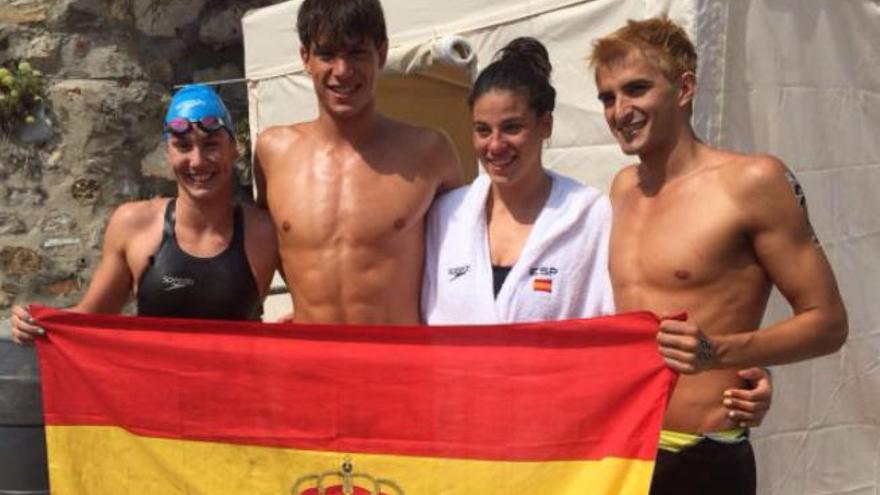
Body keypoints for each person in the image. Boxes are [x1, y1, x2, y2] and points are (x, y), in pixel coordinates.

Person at [422, 36, 770, 427]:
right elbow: (411, 326)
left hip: (559, 440)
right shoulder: (444, 215)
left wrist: (737, 369)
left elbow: (635, 319)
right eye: (482, 130)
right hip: (456, 433)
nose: (495, 145)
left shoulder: (589, 214)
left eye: (512, 127)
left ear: (545, 125)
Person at [590, 18, 848, 495]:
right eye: (607, 96)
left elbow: (828, 322)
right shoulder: (624, 187)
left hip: (701, 455)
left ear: (684, 87)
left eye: (636, 89)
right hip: (624, 452)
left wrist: (722, 354)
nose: (619, 110)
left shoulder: (752, 182)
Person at [11, 84, 279, 342]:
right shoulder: (133, 225)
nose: (197, 161)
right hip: (156, 388)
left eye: (211, 145)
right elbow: (90, 317)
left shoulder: (265, 231)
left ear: (233, 150)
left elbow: (312, 305)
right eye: (183, 146)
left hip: (233, 387)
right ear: (168, 153)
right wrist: (34, 321)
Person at [253, 0, 461, 324]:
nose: (343, 70)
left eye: (357, 53)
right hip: (310, 363)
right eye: (327, 54)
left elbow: (464, 260)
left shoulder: (429, 152)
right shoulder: (273, 153)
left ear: (381, 53)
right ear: (305, 58)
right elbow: (262, 247)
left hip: (396, 364)